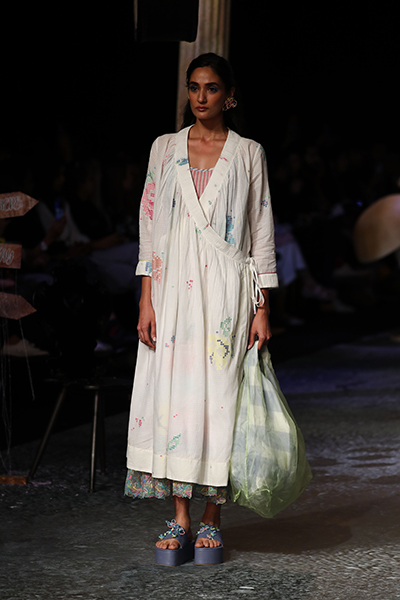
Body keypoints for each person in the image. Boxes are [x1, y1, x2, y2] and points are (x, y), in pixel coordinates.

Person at [124, 53, 278, 566]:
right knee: (174, 395)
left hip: (226, 290)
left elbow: (261, 231)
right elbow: (149, 224)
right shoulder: (164, 148)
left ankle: (212, 517)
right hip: (172, 290)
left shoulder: (248, 153)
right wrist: (146, 296)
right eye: (194, 87)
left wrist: (261, 307)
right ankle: (179, 517)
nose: (201, 97)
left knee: (220, 397)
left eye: (211, 88)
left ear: (228, 96)